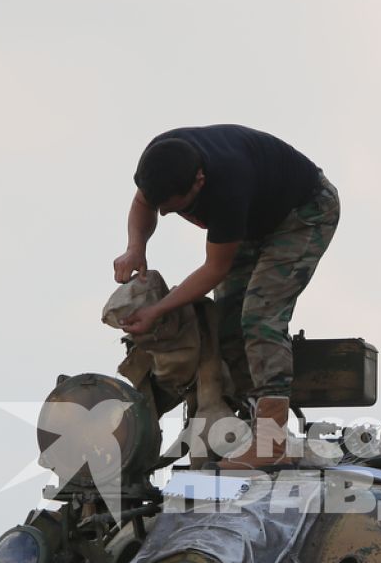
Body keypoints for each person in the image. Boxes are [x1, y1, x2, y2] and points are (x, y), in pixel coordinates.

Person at [114, 126, 339, 467]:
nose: (165, 214)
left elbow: (215, 269)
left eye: (175, 208)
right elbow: (143, 203)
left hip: (303, 213)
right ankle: (249, 421)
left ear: (199, 181)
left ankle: (272, 442)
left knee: (260, 318)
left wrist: (158, 310)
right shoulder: (160, 161)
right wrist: (135, 248)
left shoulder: (228, 183)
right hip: (253, 220)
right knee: (228, 321)